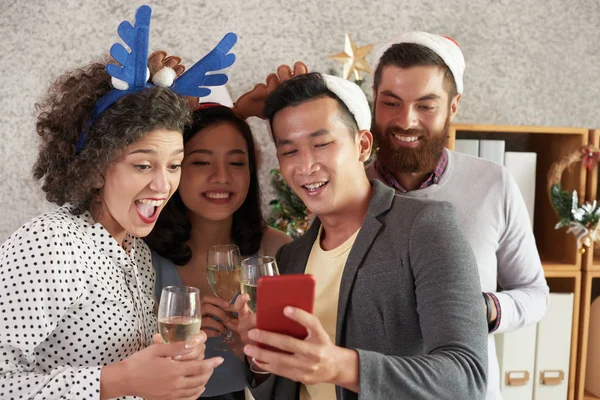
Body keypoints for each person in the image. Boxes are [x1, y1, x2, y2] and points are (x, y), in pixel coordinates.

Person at [0, 5, 237, 399]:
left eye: (175, 165)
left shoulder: (136, 254)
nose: (163, 184)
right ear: (94, 168)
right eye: (143, 165)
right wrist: (115, 382)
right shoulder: (49, 246)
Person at [234, 71, 488, 399]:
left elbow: (466, 377)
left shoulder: (424, 228)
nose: (306, 165)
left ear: (362, 145)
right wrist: (260, 359)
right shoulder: (291, 256)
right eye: (289, 151)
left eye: (321, 144)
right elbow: (286, 385)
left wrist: (340, 366)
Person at [366, 31, 549, 399]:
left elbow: (535, 294)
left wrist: (487, 308)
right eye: (391, 103)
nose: (407, 120)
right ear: (374, 102)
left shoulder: (493, 184)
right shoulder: (350, 188)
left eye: (426, 105)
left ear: (453, 106)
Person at [146, 103, 292, 399]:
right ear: (174, 167)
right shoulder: (141, 254)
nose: (222, 177)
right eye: (201, 163)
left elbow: (291, 381)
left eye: (237, 163)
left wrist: (253, 352)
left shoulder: (277, 252)